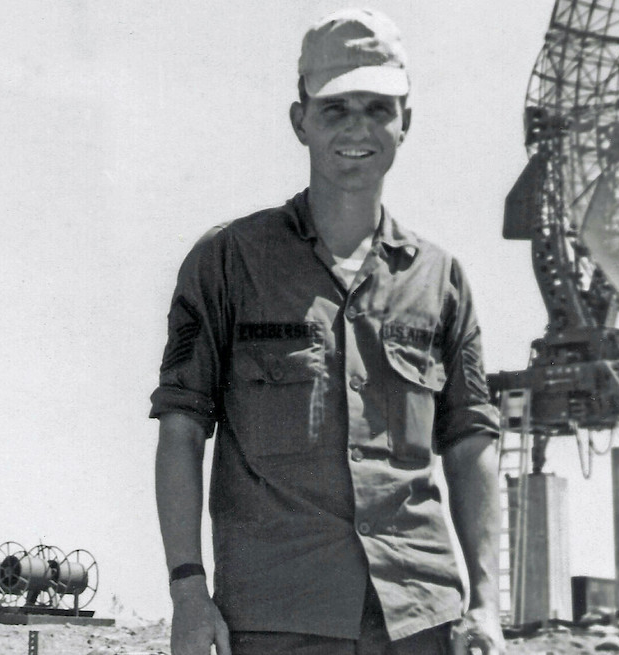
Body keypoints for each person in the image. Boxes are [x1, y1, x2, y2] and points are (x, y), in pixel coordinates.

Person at [150, 9, 505, 655]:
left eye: (378, 108)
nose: (357, 128)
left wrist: (486, 602)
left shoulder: (441, 279)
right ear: (300, 121)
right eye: (335, 108)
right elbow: (181, 431)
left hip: (421, 621)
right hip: (278, 619)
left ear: (405, 122)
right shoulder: (229, 260)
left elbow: (471, 443)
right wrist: (187, 590)